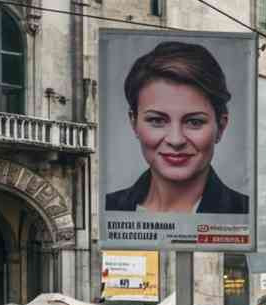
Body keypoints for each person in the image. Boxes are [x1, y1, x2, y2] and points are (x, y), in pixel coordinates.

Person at [105, 41, 250, 214]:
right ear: (134, 122)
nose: (176, 140)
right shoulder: (108, 207)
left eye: (194, 122)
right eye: (157, 120)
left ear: (221, 126)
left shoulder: (246, 211)